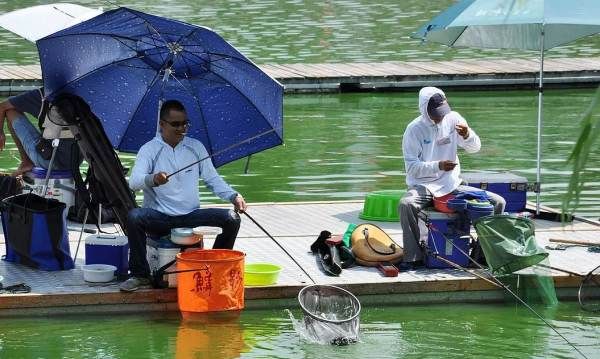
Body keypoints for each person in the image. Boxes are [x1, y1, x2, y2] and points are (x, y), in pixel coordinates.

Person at [120, 100, 248, 292]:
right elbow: (134, 182)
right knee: (134, 217)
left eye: (185, 123)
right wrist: (153, 179)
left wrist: (234, 196)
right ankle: (140, 274)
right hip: (159, 217)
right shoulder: (149, 149)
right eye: (176, 124)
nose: (182, 128)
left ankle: (215, 267)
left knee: (231, 218)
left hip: (190, 215)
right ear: (162, 124)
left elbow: (212, 179)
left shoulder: (195, 147)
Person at [399, 87, 506, 269]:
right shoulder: (414, 129)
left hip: (452, 183)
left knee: (498, 202)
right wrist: (438, 165)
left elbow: (474, 148)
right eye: (434, 114)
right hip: (424, 185)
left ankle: (480, 255)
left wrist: (467, 135)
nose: (439, 117)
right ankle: (413, 256)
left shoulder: (454, 118)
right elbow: (412, 169)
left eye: (442, 112)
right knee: (406, 204)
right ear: (424, 109)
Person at [0, 88, 80, 175]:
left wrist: (0, 133)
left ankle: (26, 162)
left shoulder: (43, 95)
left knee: (10, 111)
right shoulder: (82, 97)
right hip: (76, 162)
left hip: (50, 161)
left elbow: (2, 107)